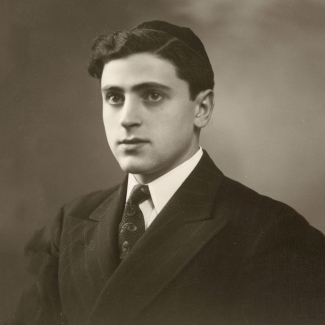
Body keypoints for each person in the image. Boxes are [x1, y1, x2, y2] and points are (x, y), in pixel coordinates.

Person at [13, 20, 325, 325]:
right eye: (114, 97)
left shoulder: (273, 233)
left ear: (201, 109)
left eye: (152, 96)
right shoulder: (70, 222)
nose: (127, 119)